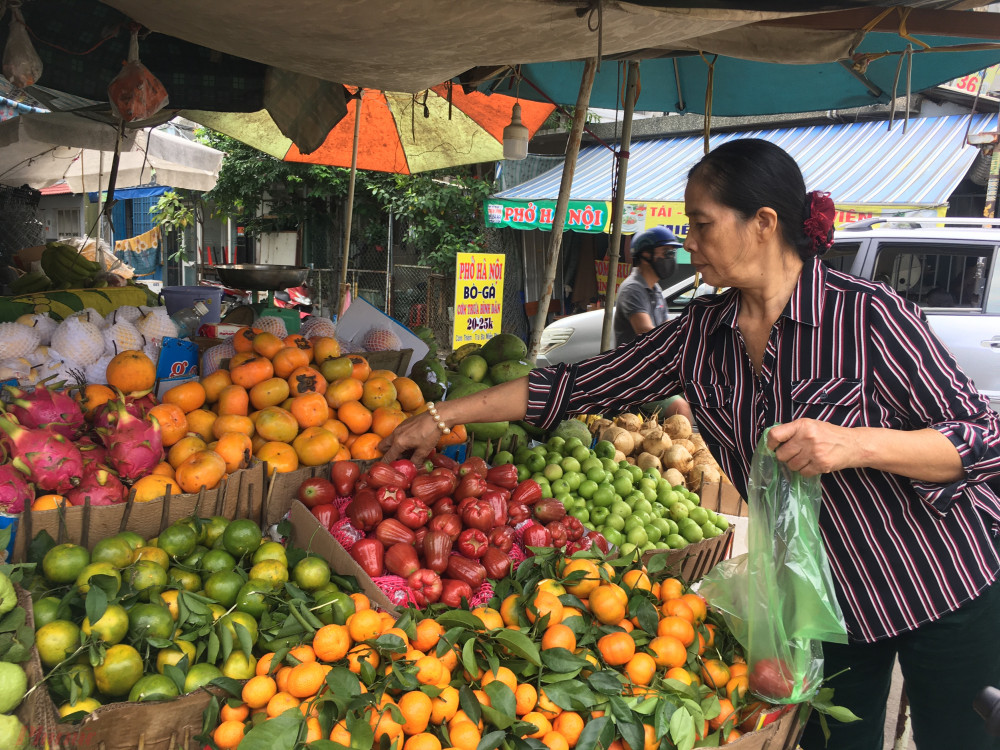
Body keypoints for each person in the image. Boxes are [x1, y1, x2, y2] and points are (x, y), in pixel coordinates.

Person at [382, 138, 1000, 750]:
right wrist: (441, 416)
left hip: (940, 580)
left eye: (702, 224)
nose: (689, 243)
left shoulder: (866, 316)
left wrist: (856, 444)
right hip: (830, 604)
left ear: (763, 223)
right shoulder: (702, 334)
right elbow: (575, 383)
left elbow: (980, 438)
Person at [612, 225, 681, 346]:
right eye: (666, 252)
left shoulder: (655, 288)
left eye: (672, 253)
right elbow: (647, 332)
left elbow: (666, 326)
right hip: (633, 363)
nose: (671, 257)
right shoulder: (633, 289)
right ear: (646, 256)